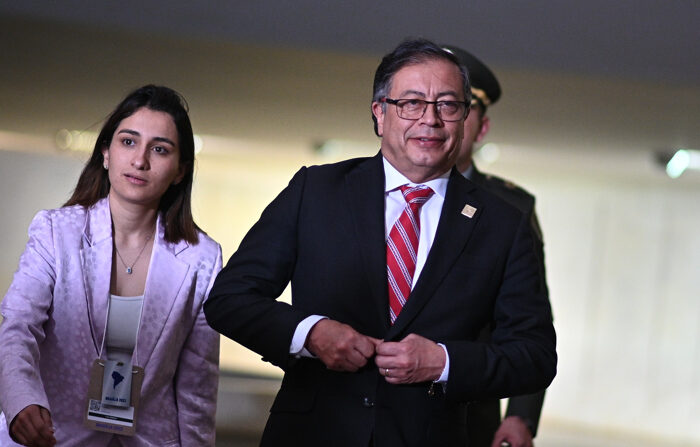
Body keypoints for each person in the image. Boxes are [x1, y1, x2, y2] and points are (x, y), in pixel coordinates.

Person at [205, 38, 556, 447]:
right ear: (380, 114)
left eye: (447, 105)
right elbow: (229, 299)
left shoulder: (503, 224)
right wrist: (311, 333)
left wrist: (442, 362)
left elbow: (535, 356)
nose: (430, 120)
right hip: (312, 433)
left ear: (464, 120)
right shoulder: (315, 191)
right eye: (411, 103)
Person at [0, 85, 222, 446]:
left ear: (180, 171)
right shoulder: (57, 232)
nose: (140, 161)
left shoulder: (202, 258)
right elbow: (18, 327)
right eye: (129, 142)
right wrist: (21, 401)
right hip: (52, 435)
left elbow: (198, 383)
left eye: (160, 149)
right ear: (106, 153)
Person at [443, 45, 549, 447]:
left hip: (468, 405)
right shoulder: (375, 191)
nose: (443, 121)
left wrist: (521, 415)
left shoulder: (511, 208)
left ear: (481, 129)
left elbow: (531, 320)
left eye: (459, 110)